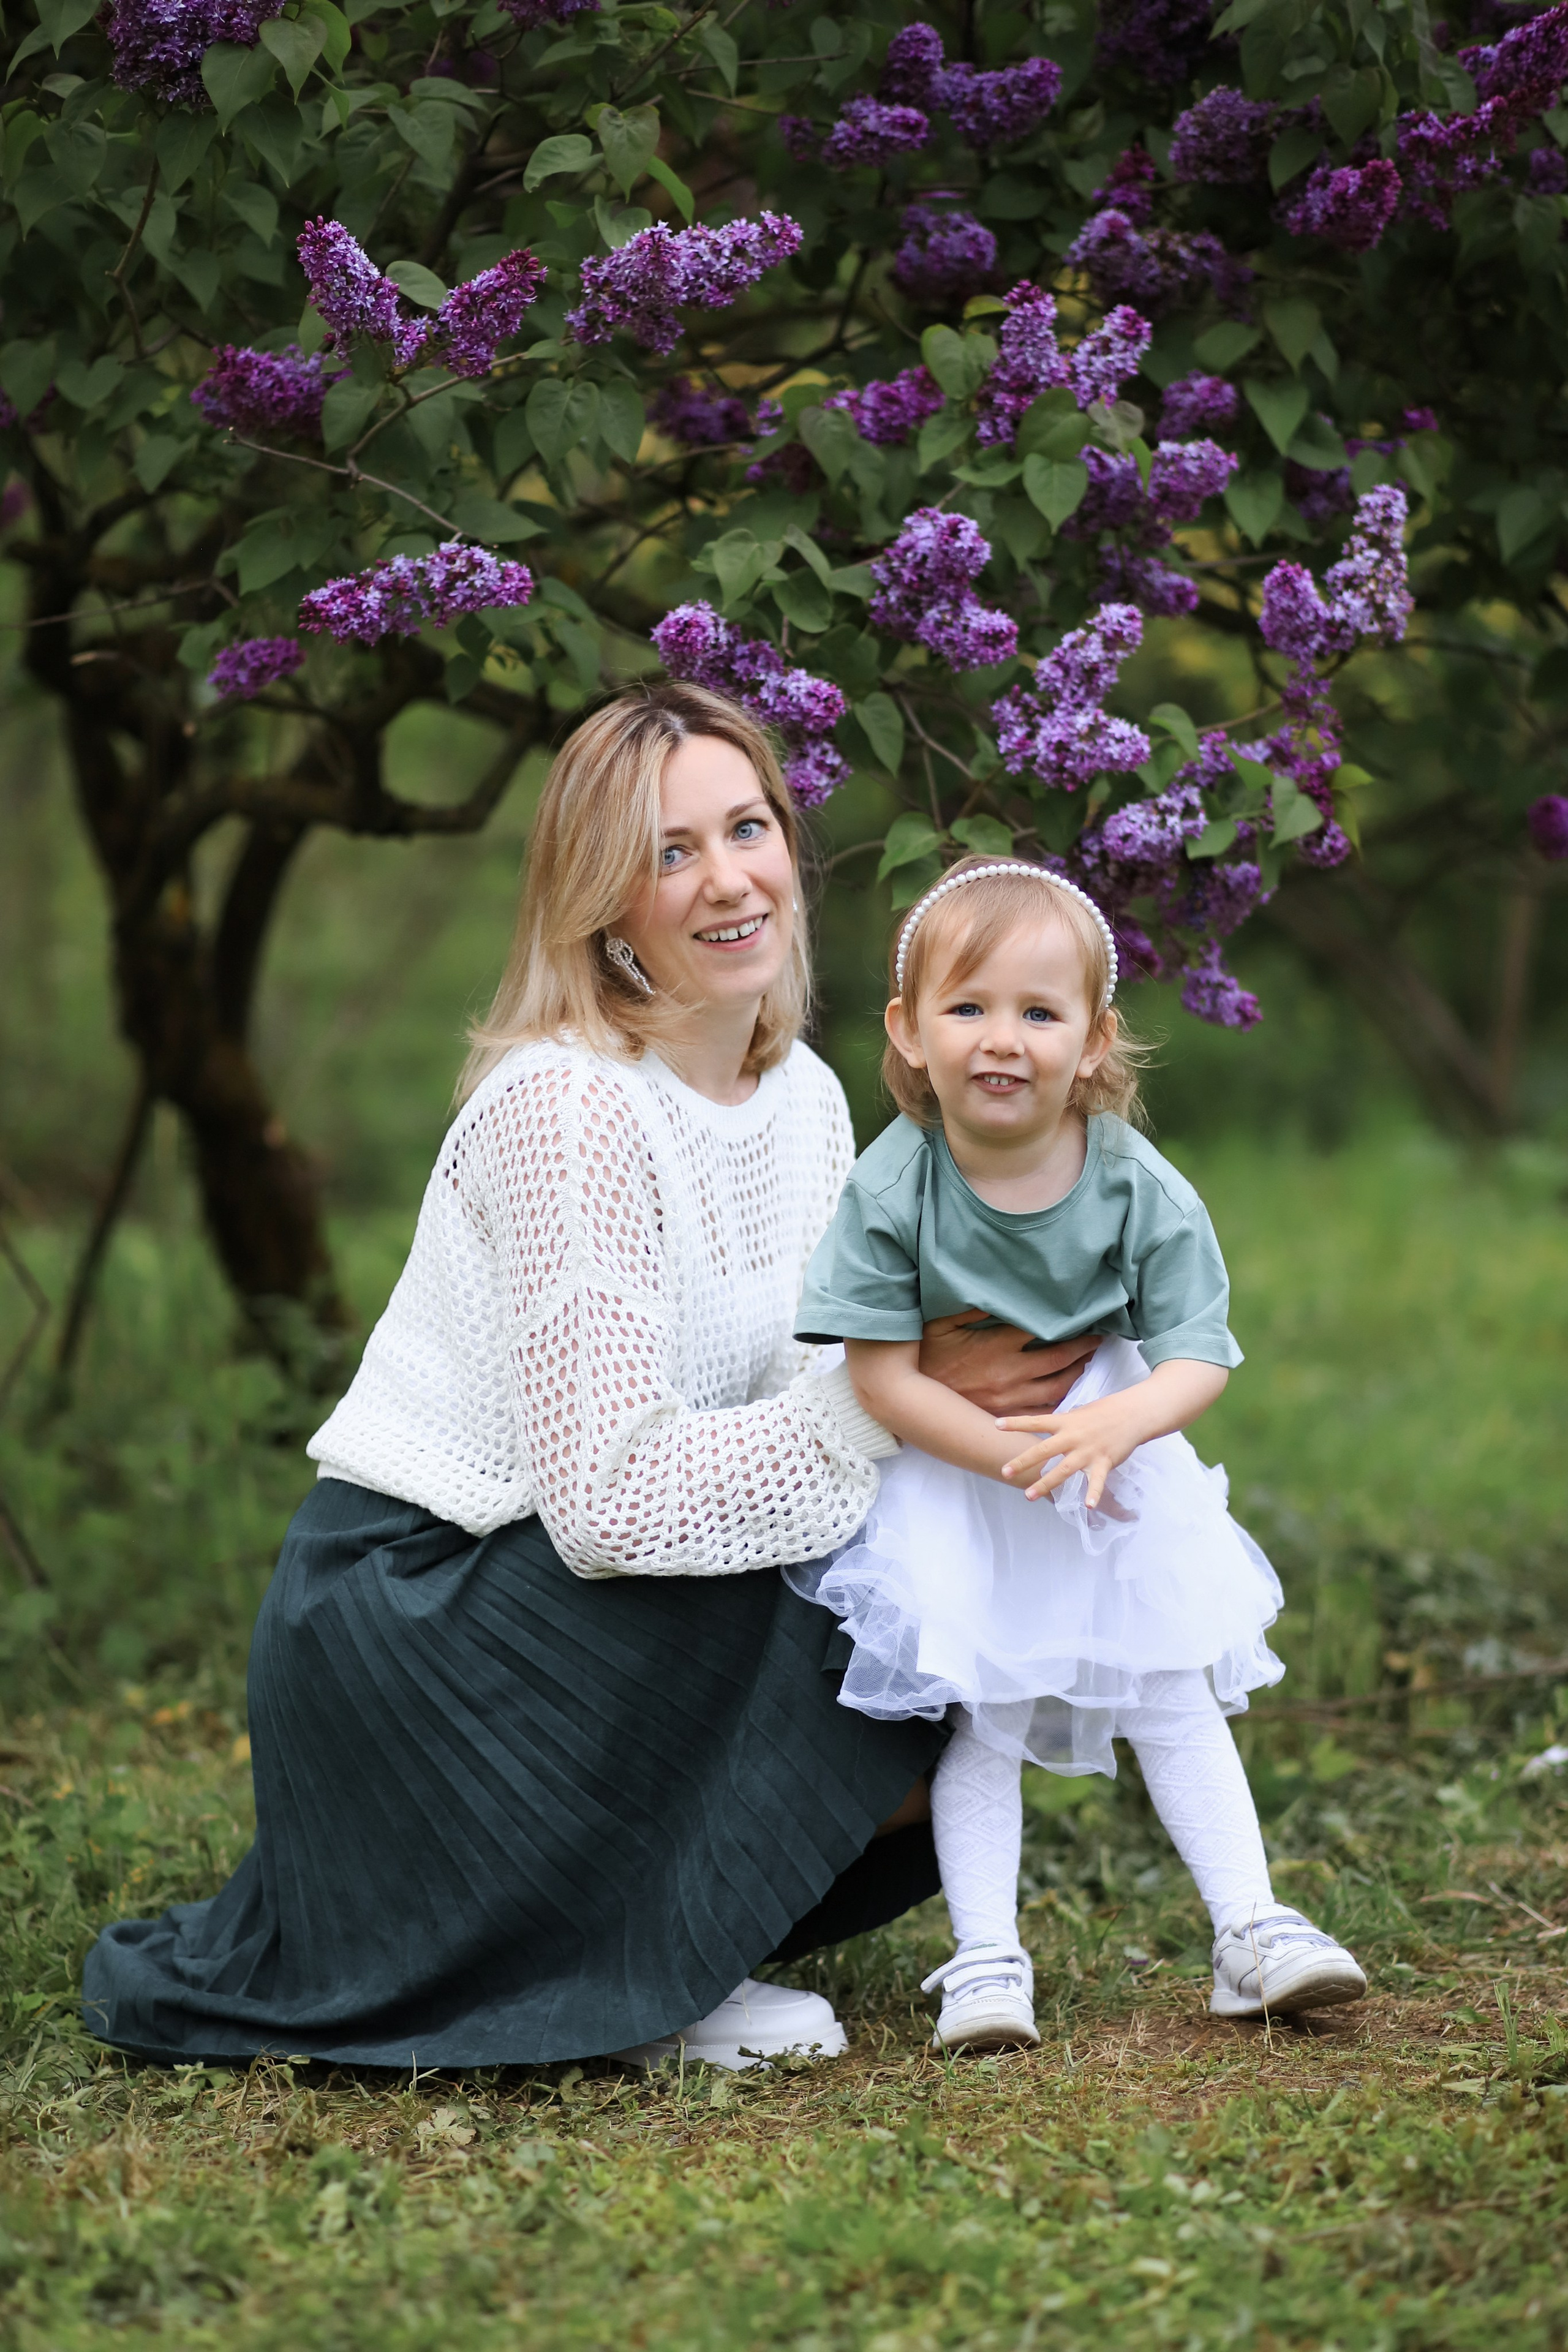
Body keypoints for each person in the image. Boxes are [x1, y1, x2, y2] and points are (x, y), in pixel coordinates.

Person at [80, 691, 1096, 2074]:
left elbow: (810, 1396)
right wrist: (895, 1400)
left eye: (748, 829)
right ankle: (627, 1973)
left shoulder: (797, 1092)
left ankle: (653, 1941)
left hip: (589, 1579)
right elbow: (613, 1509)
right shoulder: (565, 1110)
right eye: (669, 851)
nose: (728, 878)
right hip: (421, 1608)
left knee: (943, 1642)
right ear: (601, 901)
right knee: (841, 1616)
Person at [788, 856, 1368, 2054]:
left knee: (1167, 1681)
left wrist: (1118, 1424)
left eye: (1037, 1013)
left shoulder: (1128, 1179)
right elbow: (879, 1373)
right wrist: (1002, 1457)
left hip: (1101, 1441)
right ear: (907, 1030)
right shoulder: (893, 1181)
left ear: (1094, 1040)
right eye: (967, 1008)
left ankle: (1249, 1929)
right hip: (958, 1459)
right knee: (983, 1711)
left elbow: (1198, 1351)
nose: (1001, 1040)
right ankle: (984, 1959)